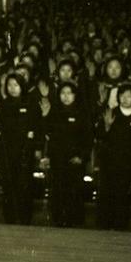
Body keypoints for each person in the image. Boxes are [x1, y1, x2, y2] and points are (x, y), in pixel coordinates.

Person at [0, 73, 42, 225]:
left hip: (25, 151)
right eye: (9, 85)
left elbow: (37, 127)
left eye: (16, 85)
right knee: (8, 184)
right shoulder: (3, 104)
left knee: (24, 185)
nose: (12, 88)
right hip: (6, 151)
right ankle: (10, 217)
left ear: (22, 86)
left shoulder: (30, 103)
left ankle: (25, 218)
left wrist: (36, 147)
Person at [40, 80, 92, 228]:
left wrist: (81, 156)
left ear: (75, 95)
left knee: (74, 193)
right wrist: (45, 116)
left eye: (69, 93)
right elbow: (48, 135)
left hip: (75, 161)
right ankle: (58, 221)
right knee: (57, 192)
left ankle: (74, 222)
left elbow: (88, 139)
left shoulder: (82, 113)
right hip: (58, 160)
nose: (66, 96)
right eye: (63, 93)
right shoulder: (54, 111)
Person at [95, 82, 131, 231]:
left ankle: (120, 228)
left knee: (122, 197)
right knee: (106, 196)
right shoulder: (111, 112)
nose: (125, 99)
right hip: (109, 163)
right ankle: (104, 227)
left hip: (128, 165)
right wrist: (107, 127)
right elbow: (99, 137)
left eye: (128, 96)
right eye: (122, 95)